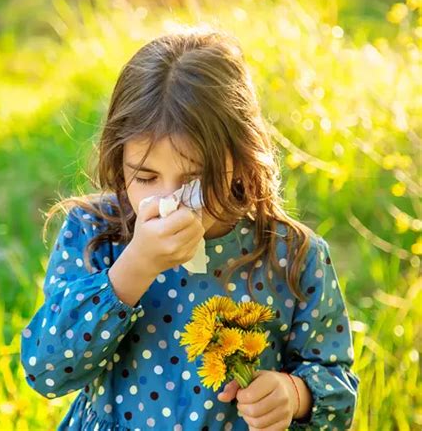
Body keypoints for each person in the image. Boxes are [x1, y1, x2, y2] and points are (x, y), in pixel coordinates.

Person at [20, 25, 359, 430]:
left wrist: (294, 394)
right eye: (145, 178)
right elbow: (46, 370)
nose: (169, 203)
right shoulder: (96, 234)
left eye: (194, 180)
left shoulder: (292, 256)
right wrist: (134, 268)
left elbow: (339, 392)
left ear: (241, 158)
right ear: (119, 160)